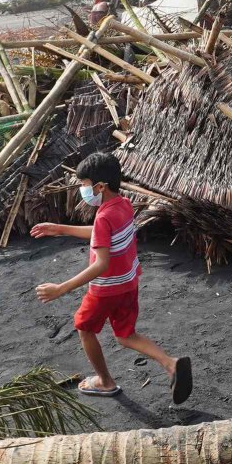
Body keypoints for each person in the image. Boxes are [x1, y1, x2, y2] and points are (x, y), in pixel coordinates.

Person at [29, 150, 193, 402]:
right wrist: (60, 229)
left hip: (105, 289)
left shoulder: (104, 216)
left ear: (100, 187)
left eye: (84, 185)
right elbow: (100, 233)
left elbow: (101, 265)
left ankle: (105, 382)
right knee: (126, 335)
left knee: (84, 328)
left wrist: (61, 288)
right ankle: (170, 363)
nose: (82, 190)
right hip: (129, 282)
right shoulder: (124, 205)